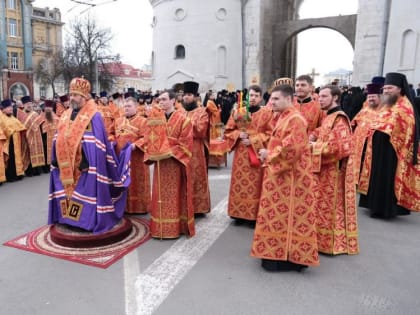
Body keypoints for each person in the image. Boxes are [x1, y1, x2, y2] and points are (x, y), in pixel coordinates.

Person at [48, 77, 131, 234]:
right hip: (65, 162)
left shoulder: (94, 115)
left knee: (85, 193)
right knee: (66, 192)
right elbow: (58, 135)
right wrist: (55, 155)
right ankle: (67, 219)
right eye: (71, 94)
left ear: (84, 97)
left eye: (76, 95)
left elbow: (97, 143)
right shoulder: (66, 114)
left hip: (85, 165)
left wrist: (85, 156)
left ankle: (84, 223)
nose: (72, 98)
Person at [251, 85, 319, 272]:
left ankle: (287, 258)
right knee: (275, 214)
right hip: (280, 175)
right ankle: (275, 253)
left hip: (291, 178)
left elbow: (291, 150)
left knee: (286, 215)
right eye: (271, 99)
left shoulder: (295, 119)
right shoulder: (283, 117)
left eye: (275, 99)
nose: (271, 103)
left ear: (289, 99)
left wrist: (268, 154)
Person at [361, 72, 420, 218]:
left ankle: (384, 210)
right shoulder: (387, 103)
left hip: (392, 151)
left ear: (399, 89)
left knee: (386, 178)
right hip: (378, 148)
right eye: (385, 88)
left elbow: (406, 128)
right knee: (376, 177)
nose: (386, 91)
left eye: (390, 88)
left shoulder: (404, 106)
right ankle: (373, 206)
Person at [310, 85, 359, 255]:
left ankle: (331, 245)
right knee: (319, 207)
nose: (320, 99)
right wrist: (313, 135)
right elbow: (325, 133)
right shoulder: (328, 116)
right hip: (321, 170)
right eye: (319, 96)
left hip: (331, 172)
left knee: (328, 209)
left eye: (324, 96)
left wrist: (314, 146)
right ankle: (318, 241)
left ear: (335, 98)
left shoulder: (340, 118)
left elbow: (342, 148)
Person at [142, 89, 194, 238]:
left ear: (173, 101)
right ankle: (159, 229)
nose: (161, 103)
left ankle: (174, 229)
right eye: (159, 100)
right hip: (160, 165)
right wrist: (153, 150)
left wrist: (165, 147)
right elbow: (148, 139)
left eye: (164, 99)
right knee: (159, 195)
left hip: (174, 165)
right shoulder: (155, 121)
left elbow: (186, 144)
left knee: (174, 196)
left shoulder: (184, 120)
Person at [224, 85, 273, 223]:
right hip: (240, 155)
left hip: (256, 154)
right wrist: (239, 134)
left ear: (261, 98)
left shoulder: (267, 113)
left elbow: (270, 134)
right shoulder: (239, 112)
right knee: (239, 184)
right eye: (251, 95)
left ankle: (253, 216)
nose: (253, 98)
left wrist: (253, 140)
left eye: (256, 96)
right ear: (247, 96)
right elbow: (228, 131)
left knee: (255, 185)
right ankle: (237, 214)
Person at [114, 96, 150, 214]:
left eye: (129, 106)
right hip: (121, 159)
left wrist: (135, 145)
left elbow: (147, 137)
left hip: (136, 159)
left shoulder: (143, 121)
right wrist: (111, 141)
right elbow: (110, 133)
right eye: (125, 106)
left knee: (137, 182)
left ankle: (139, 208)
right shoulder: (118, 120)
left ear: (136, 107)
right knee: (123, 182)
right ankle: (124, 207)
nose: (126, 108)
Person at [350, 83, 383, 200]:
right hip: (359, 143)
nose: (371, 99)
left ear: (380, 97)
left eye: (374, 96)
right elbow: (353, 122)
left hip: (372, 145)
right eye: (369, 97)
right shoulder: (364, 109)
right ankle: (355, 182)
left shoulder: (384, 112)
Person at [182, 81, 211, 214]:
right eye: (184, 95)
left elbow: (201, 131)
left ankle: (198, 208)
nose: (186, 97)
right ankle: (183, 205)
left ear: (195, 97)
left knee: (196, 178)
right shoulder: (179, 111)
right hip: (181, 150)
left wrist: (186, 123)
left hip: (196, 151)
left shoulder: (202, 112)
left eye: (189, 95)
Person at [19, 96, 45, 177]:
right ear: (23, 105)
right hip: (25, 137)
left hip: (36, 136)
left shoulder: (35, 114)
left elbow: (40, 125)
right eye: (27, 104)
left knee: (36, 151)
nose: (29, 105)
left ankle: (37, 170)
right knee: (27, 152)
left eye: (30, 103)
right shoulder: (21, 115)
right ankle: (29, 171)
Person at [0, 99, 26, 182]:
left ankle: (18, 173)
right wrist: (12, 131)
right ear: (3, 109)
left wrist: (19, 130)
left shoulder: (12, 117)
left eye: (11, 107)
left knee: (17, 157)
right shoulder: (1, 117)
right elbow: (4, 128)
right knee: (10, 159)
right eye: (8, 108)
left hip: (16, 141)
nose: (10, 109)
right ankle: (11, 176)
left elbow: (19, 125)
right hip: (8, 142)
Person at [39, 100, 59, 173]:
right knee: (45, 152)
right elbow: (39, 125)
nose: (48, 109)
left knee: (53, 151)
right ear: (45, 108)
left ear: (52, 108)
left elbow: (58, 125)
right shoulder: (41, 115)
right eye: (47, 107)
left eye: (50, 108)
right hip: (44, 137)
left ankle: (52, 165)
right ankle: (45, 168)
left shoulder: (55, 116)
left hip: (53, 137)